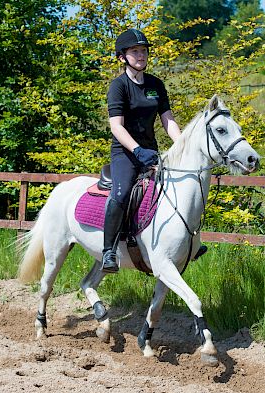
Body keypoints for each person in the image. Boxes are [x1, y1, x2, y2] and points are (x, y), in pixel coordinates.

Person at [102, 28, 182, 273]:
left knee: (179, 188)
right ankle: (109, 251)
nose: (141, 55)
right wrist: (137, 151)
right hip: (125, 154)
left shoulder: (156, 85)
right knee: (122, 192)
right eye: (135, 51)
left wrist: (182, 146)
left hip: (152, 152)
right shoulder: (119, 86)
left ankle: (186, 242)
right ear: (122, 57)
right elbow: (116, 126)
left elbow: (167, 120)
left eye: (144, 50)